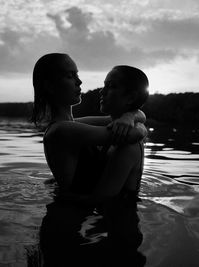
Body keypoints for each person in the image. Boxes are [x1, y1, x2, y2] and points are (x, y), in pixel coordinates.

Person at [31, 53, 147, 196]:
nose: (79, 81)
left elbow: (140, 115)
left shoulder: (75, 124)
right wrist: (140, 128)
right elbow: (132, 135)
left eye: (77, 74)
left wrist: (129, 116)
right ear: (50, 86)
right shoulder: (61, 130)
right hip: (73, 214)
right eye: (70, 76)